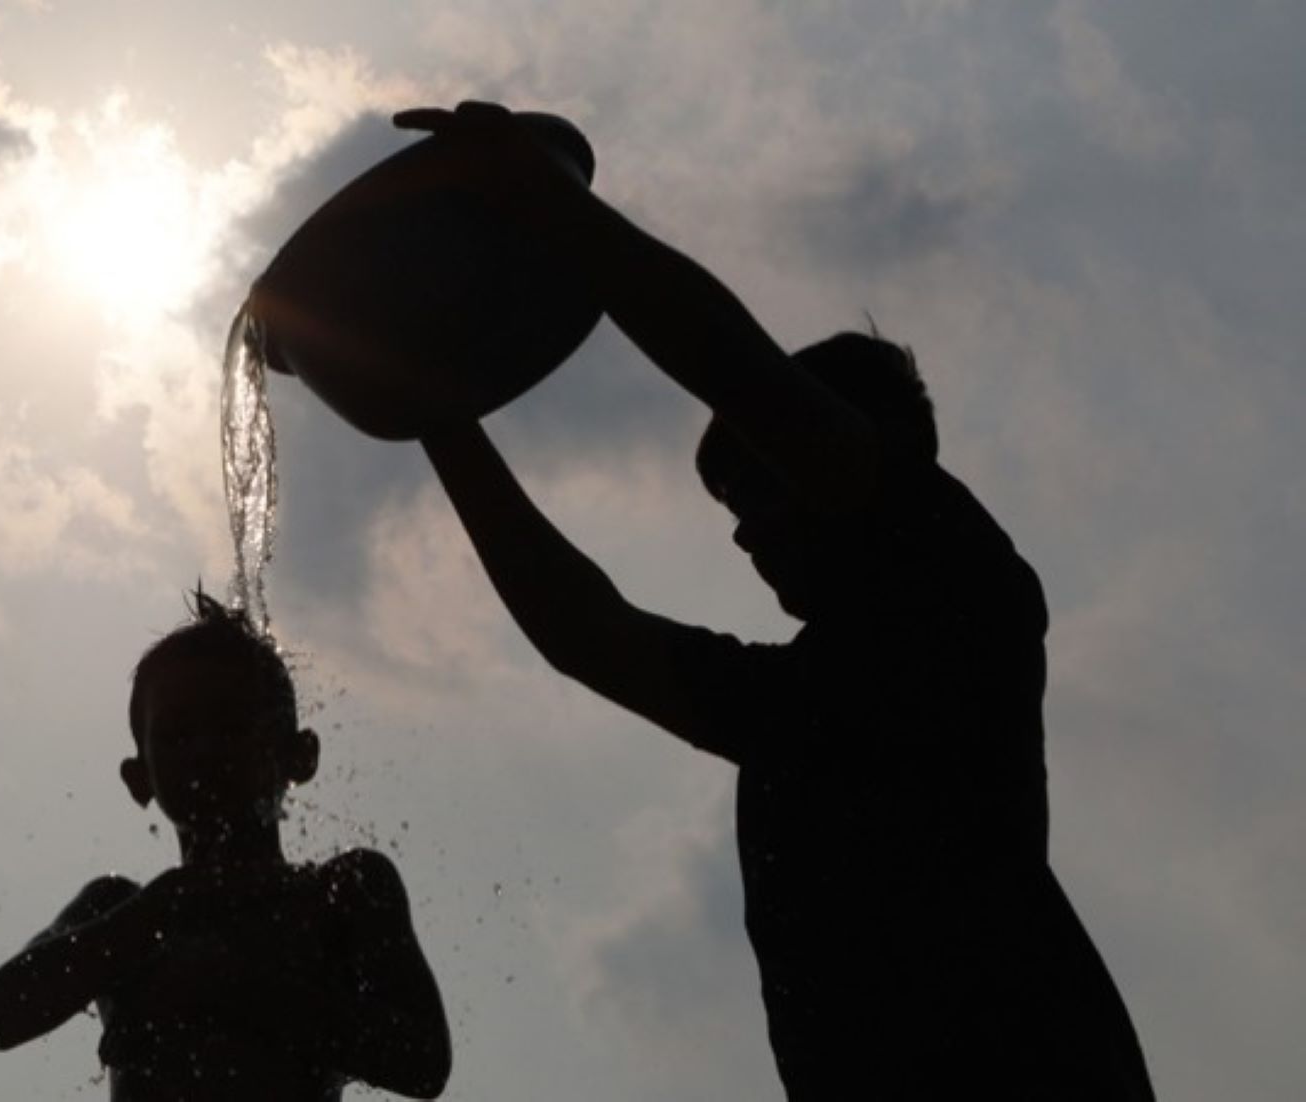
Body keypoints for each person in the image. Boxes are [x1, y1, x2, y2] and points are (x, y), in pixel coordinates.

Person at [396, 102, 1154, 1100]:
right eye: (732, 507)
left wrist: (540, 199)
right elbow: (586, 631)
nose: (748, 529)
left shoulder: (962, 581)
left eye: (761, 483)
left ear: (877, 448)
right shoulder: (798, 707)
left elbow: (733, 367)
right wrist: (425, 406)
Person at [0, 591, 451, 1101]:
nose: (205, 750)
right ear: (140, 780)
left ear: (299, 756)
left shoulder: (341, 893)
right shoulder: (121, 909)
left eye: (232, 726)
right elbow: (4, 1013)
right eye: (178, 735)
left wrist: (236, 986)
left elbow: (423, 1061)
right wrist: (164, 905)